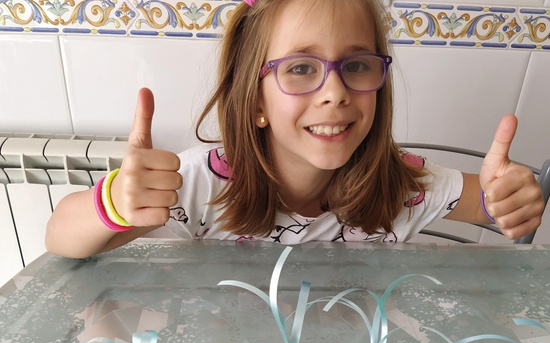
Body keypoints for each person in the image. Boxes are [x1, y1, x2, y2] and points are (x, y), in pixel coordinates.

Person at [45, 0, 544, 258]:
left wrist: (512, 199)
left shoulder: (400, 185)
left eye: (356, 65)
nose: (335, 92)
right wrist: (114, 202)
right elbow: (60, 237)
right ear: (255, 101)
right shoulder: (201, 186)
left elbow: (493, 204)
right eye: (301, 68)